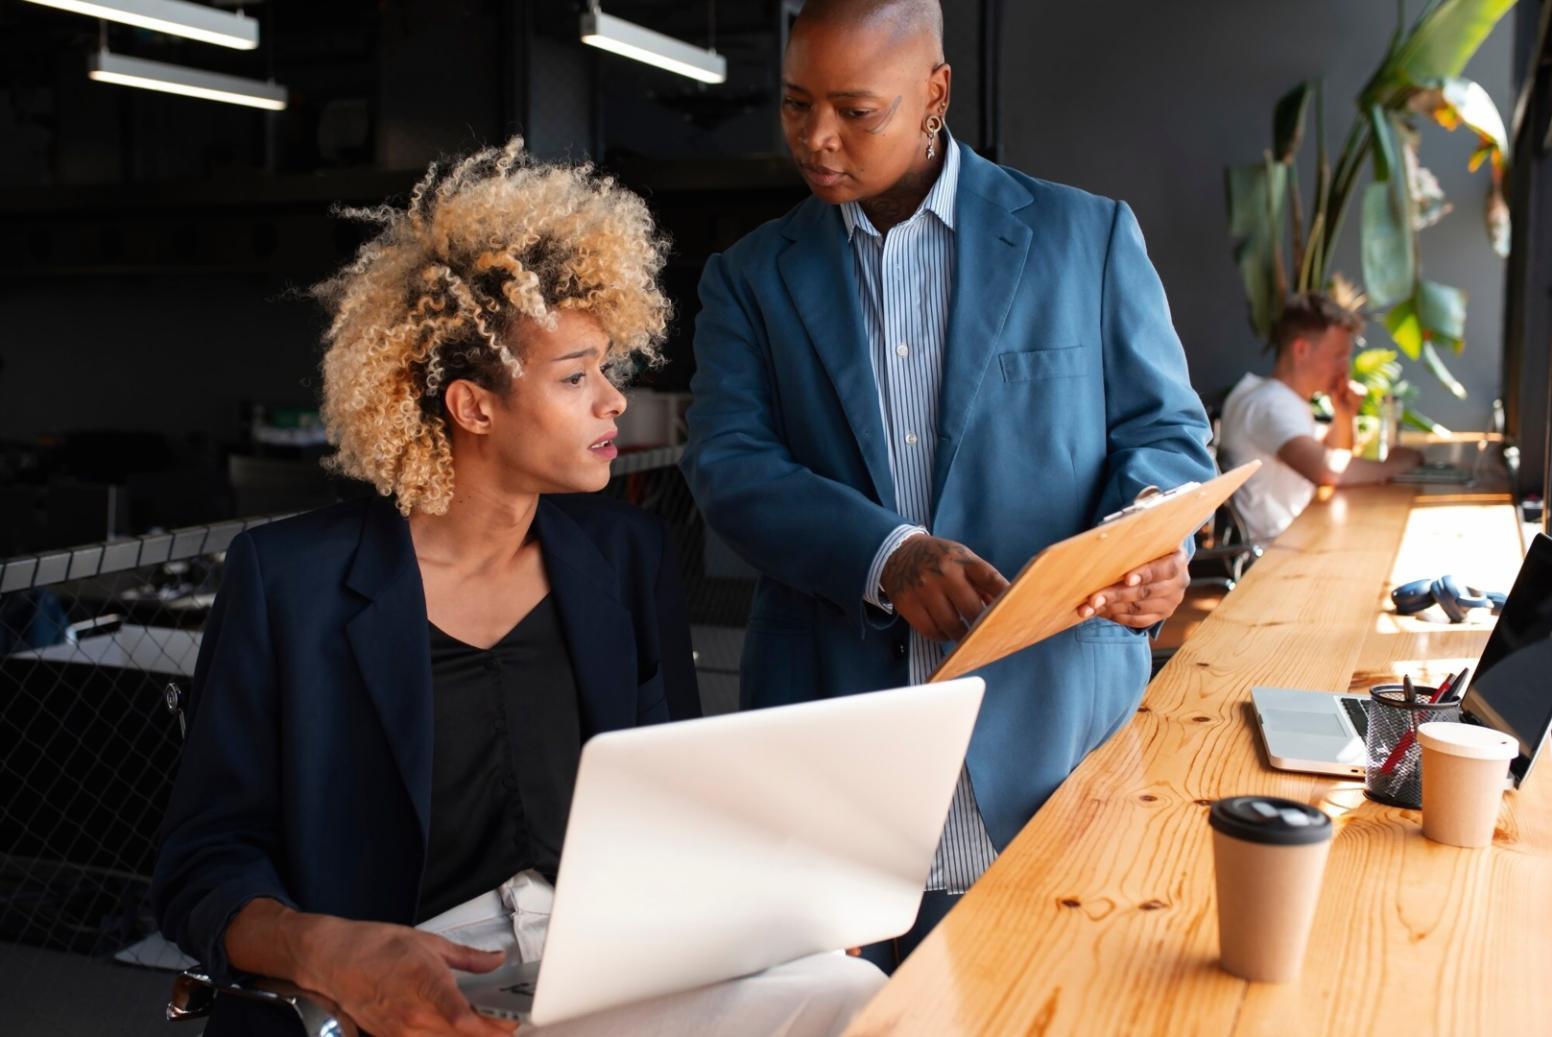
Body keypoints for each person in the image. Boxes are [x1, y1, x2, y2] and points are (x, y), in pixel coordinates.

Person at [152, 140, 883, 1037]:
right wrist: (330, 952)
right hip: (397, 990)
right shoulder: (289, 581)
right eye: (576, 377)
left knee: (849, 995)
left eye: (607, 370)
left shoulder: (626, 554)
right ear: (472, 406)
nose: (614, 402)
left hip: (601, 959)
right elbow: (200, 866)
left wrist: (771, 908)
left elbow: (675, 804)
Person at [680, 0, 1215, 971]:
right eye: (796, 105)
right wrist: (884, 554)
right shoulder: (748, 278)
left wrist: (1148, 538)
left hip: (1055, 745)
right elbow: (727, 464)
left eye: (853, 109)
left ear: (933, 94)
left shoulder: (1081, 238)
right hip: (834, 756)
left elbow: (1165, 432)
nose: (816, 138)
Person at [1218, 291, 1422, 545]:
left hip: (1291, 539)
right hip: (1275, 552)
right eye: (1338, 355)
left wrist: (1343, 412)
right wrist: (1396, 464)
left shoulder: (1264, 394)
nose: (1344, 367)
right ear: (1301, 349)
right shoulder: (1272, 404)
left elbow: (1333, 454)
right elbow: (1327, 470)